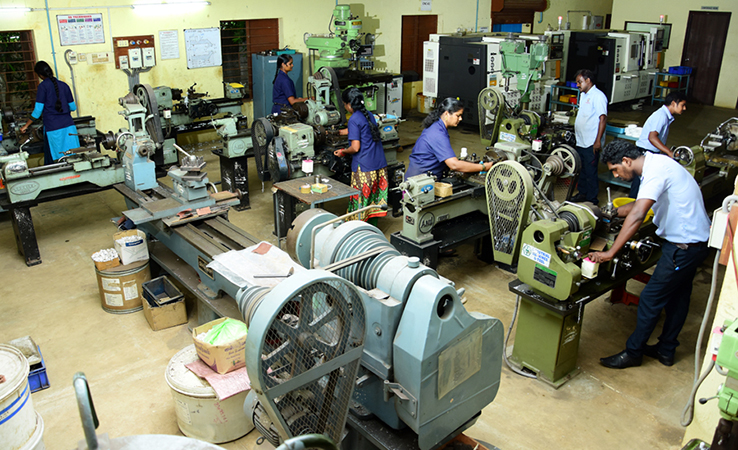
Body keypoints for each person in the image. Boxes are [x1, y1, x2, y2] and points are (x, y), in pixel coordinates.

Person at [589, 140, 710, 369]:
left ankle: (634, 353)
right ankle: (666, 350)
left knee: (650, 299)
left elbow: (637, 214)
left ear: (627, 161)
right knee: (678, 297)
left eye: (615, 169)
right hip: (696, 243)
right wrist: (610, 213)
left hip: (682, 247)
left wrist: (611, 252)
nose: (616, 175)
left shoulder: (655, 172)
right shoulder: (657, 164)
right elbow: (639, 204)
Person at [333, 88, 388, 225]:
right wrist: (339, 132)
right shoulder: (368, 114)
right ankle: (372, 228)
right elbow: (359, 129)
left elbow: (355, 147)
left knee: (360, 201)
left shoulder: (353, 119)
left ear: (348, 105)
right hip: (379, 165)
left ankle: (358, 229)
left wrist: (343, 151)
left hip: (364, 168)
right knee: (373, 200)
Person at [405, 97, 494, 180]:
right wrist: (484, 167)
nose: (460, 119)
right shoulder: (437, 133)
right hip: (420, 180)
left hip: (422, 176)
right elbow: (454, 165)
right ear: (447, 114)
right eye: (458, 115)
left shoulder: (437, 126)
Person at [20, 61, 80, 165]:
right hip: (69, 128)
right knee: (74, 158)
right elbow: (73, 107)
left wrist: (25, 126)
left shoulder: (43, 87)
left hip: (53, 129)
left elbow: (37, 112)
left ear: (40, 75)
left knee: (55, 161)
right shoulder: (64, 85)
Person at [629, 91, 688, 198]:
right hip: (645, 152)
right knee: (639, 183)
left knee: (645, 182)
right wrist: (669, 152)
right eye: (682, 105)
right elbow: (652, 137)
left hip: (650, 152)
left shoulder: (665, 115)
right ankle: (632, 203)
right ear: (673, 103)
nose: (684, 108)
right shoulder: (661, 116)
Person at [572, 69, 608, 205]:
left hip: (591, 142)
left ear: (588, 80)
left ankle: (592, 199)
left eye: (579, 82)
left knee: (590, 171)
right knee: (582, 169)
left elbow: (602, 119)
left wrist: (598, 141)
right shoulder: (583, 95)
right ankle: (582, 193)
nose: (578, 85)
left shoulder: (598, 96)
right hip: (581, 140)